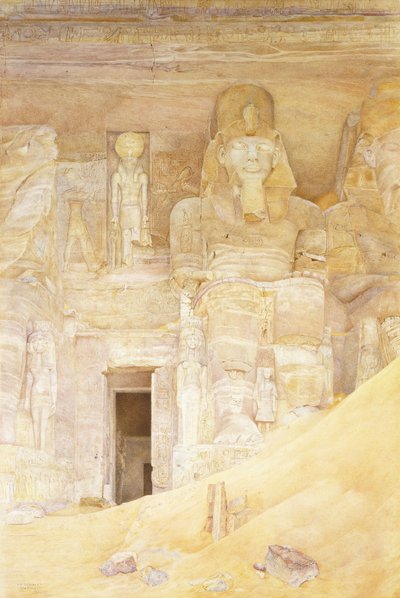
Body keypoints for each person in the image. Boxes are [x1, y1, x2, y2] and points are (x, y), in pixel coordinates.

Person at [111, 132, 151, 266]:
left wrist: (144, 215)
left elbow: (144, 198)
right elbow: (114, 198)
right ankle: (127, 260)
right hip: (128, 209)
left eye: (132, 160)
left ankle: (132, 261)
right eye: (127, 160)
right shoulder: (118, 176)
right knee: (128, 234)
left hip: (132, 208)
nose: (130, 162)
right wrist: (115, 215)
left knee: (133, 234)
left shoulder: (141, 177)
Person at [24, 322, 57, 451]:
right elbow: (28, 381)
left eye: (41, 342)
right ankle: (36, 450)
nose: (39, 345)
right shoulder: (32, 363)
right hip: (35, 394)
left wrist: (54, 400)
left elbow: (53, 382)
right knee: (35, 422)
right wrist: (26, 400)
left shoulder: (49, 364)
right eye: (36, 342)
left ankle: (41, 450)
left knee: (43, 424)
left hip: (46, 395)